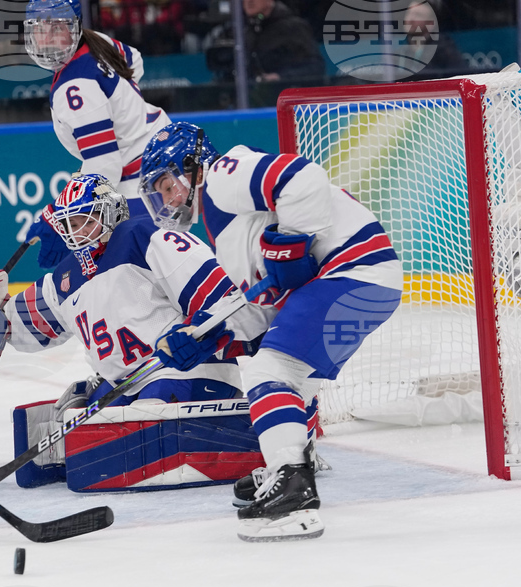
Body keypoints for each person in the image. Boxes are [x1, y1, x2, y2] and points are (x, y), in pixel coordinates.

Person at [140, 122, 404, 541]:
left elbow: (302, 178)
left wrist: (292, 241)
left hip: (352, 272)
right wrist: (206, 337)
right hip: (370, 285)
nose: (170, 198)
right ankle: (298, 458)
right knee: (294, 378)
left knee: (269, 372)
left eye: (169, 183)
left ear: (192, 166)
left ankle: (294, 491)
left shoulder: (223, 175)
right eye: (161, 192)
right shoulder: (222, 226)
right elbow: (262, 316)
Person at [0, 173, 264, 492]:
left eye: (85, 220)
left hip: (185, 371)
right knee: (73, 422)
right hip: (126, 385)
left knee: (143, 421)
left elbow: (221, 297)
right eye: (69, 225)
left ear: (112, 211)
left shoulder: (144, 235)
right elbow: (16, 322)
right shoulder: (65, 278)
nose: (77, 233)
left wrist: (202, 333)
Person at [21, 0, 173, 269]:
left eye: (58, 27)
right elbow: (134, 60)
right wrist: (125, 111)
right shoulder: (97, 41)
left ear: (75, 27)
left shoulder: (75, 87)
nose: (47, 39)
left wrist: (61, 215)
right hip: (161, 161)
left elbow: (106, 166)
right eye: (39, 29)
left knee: (111, 275)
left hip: (142, 186)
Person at [242, 0, 323, 84]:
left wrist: (281, 77)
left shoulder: (293, 28)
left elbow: (315, 67)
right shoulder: (244, 32)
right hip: (251, 94)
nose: (249, 1)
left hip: (288, 92)